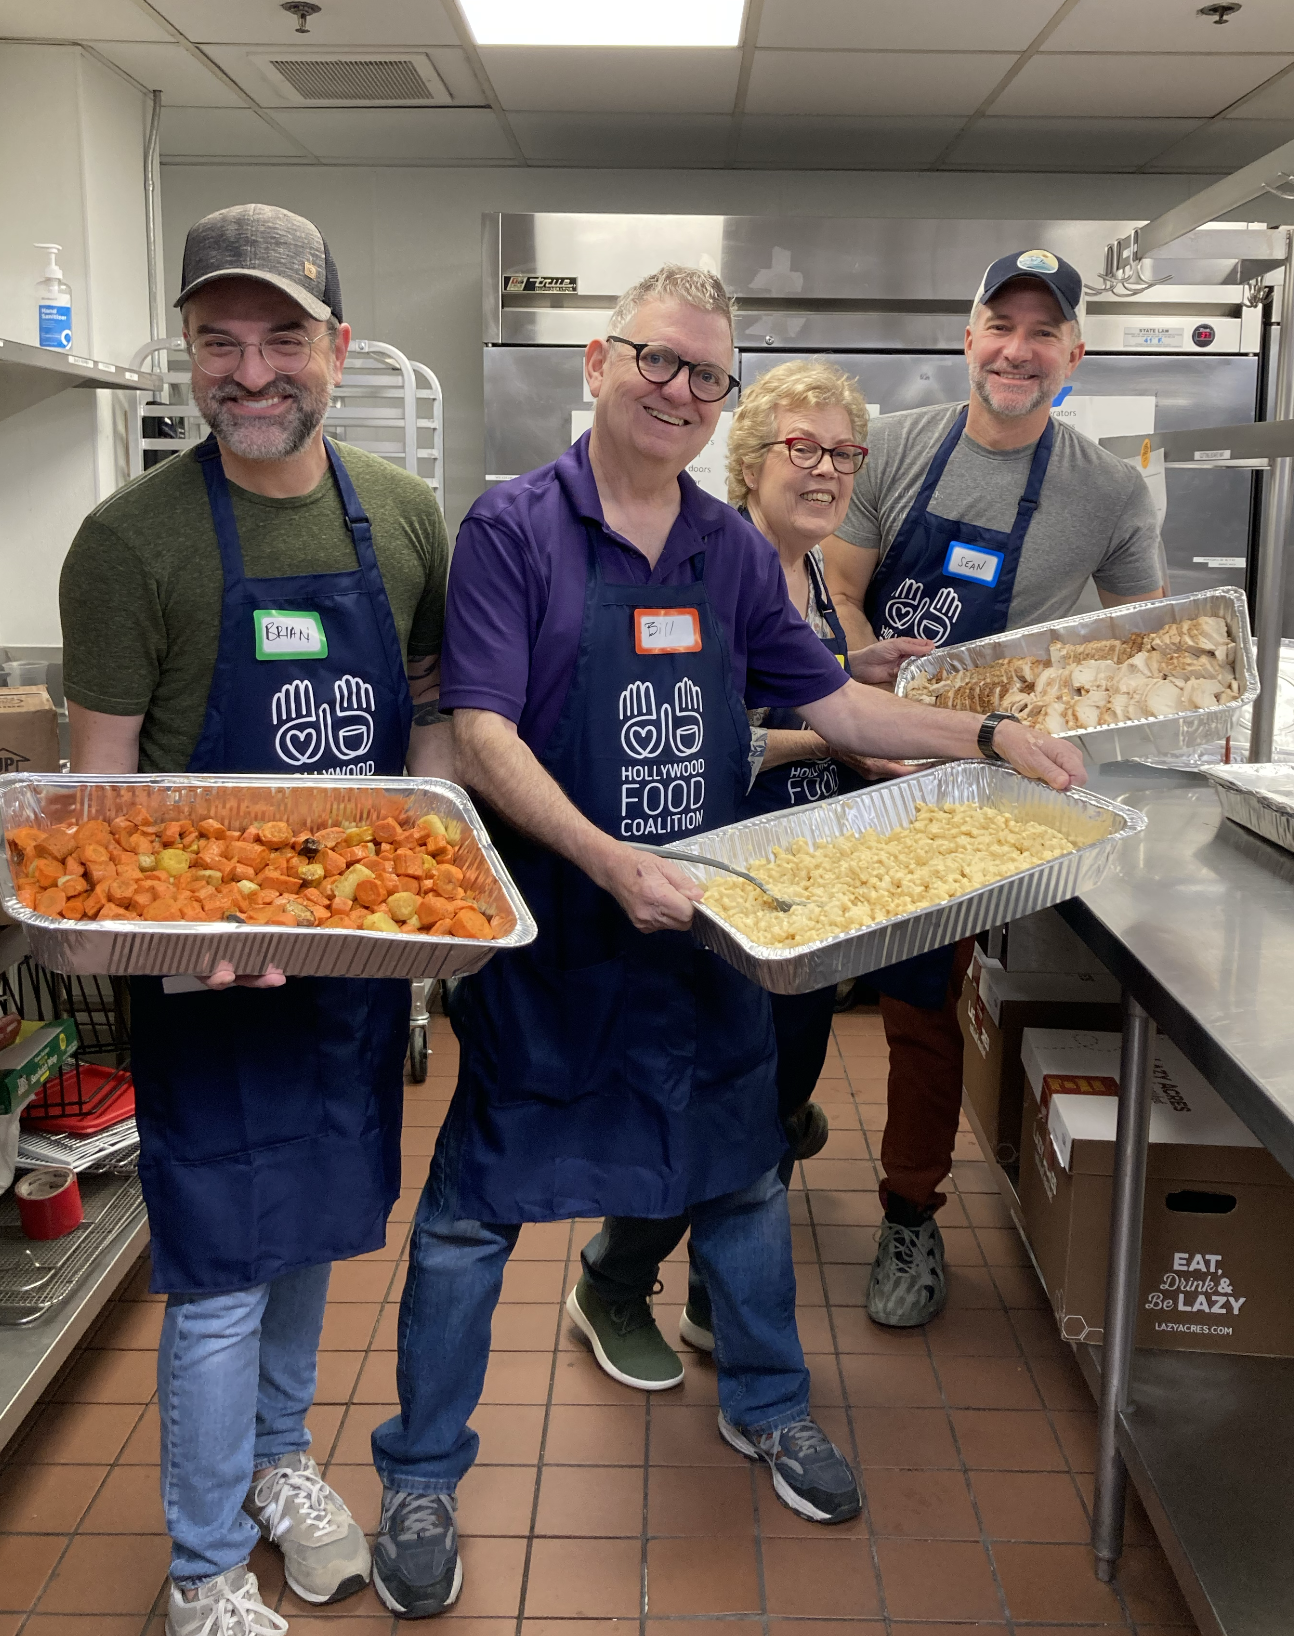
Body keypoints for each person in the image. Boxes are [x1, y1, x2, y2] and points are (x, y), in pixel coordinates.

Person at [366, 264, 1086, 1620]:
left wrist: (985, 737)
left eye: (707, 374)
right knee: (468, 1220)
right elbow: (483, 730)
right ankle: (418, 1474)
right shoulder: (514, 527)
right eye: (658, 360)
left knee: (746, 1181)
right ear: (598, 361)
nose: (679, 389)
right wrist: (600, 856)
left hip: (705, 938)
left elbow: (838, 710)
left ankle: (764, 1406)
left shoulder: (725, 549)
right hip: (560, 949)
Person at [59, 204, 453, 1636]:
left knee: (313, 1236)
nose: (251, 369)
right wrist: (168, 940)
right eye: (218, 340)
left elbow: (427, 732)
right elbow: (96, 808)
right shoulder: (129, 544)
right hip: (209, 969)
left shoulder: (401, 517)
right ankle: (202, 1565)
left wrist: (415, 908)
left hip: (347, 964)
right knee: (223, 1271)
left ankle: (283, 1461)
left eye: (282, 335)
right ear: (186, 356)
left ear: (337, 349)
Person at [568, 357, 933, 1389]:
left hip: (805, 886)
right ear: (750, 456)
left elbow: (804, 689)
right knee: (706, 1102)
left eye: (844, 453)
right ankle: (610, 1277)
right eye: (801, 448)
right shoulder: (725, 563)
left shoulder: (812, 567)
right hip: (725, 880)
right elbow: (718, 742)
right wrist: (833, 739)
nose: (825, 471)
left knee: (775, 1099)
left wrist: (848, 681)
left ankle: (708, 1290)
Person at [821, 248, 1166, 1329]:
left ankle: (909, 1214)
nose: (1017, 349)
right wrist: (879, 716)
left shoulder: (1109, 490)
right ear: (968, 337)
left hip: (975, 794)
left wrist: (1024, 729)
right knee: (795, 975)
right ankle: (771, 1125)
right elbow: (834, 586)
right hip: (857, 743)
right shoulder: (900, 445)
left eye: (1042, 331)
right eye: (998, 325)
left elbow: (1135, 646)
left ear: (1074, 353)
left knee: (924, 1008)